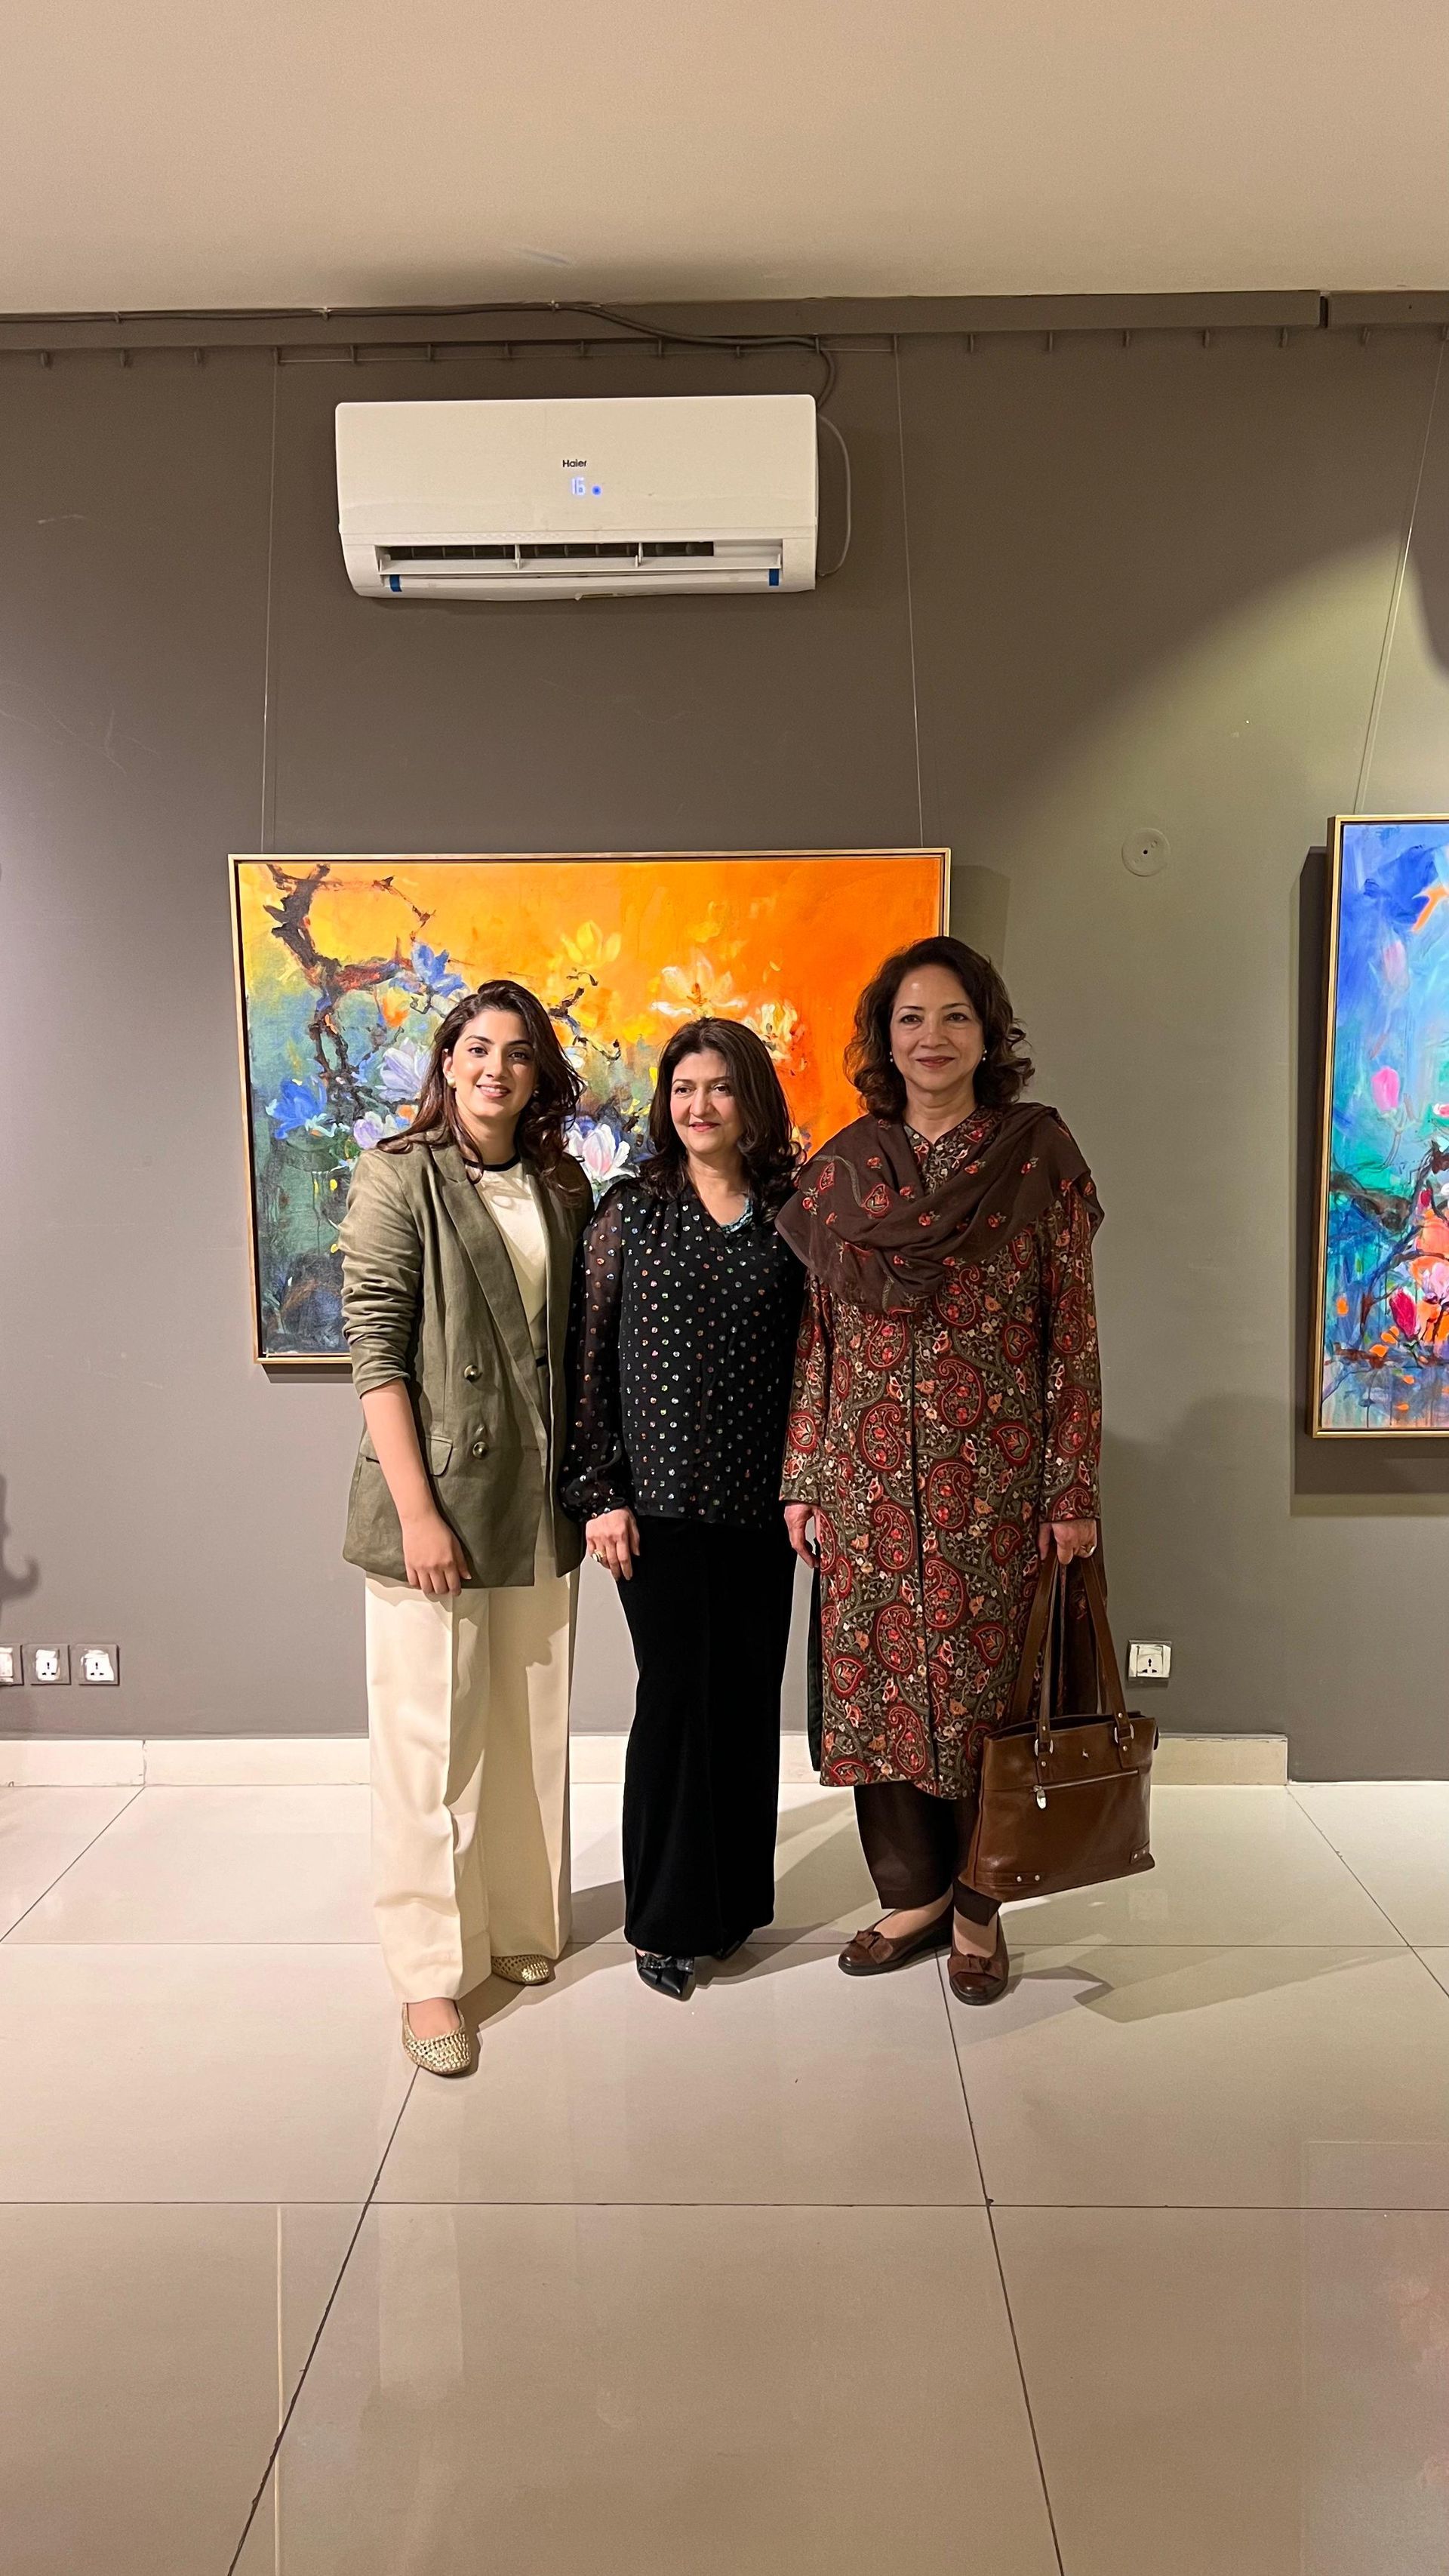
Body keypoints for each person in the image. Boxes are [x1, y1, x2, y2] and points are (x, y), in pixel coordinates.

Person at [777, 935, 1102, 2006]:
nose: (932, 1038)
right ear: (885, 1037)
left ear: (988, 1033)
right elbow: (819, 1339)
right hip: (866, 1480)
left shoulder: (1037, 1155)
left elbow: (1071, 1331)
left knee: (979, 1699)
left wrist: (1070, 1490)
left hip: (993, 1483)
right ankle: (912, 1895)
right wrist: (805, 1474)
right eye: (911, 1018)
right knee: (876, 1691)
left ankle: (977, 1905)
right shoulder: (842, 1172)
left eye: (955, 1016)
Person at [338, 979, 592, 2075]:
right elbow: (375, 1352)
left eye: (518, 1052)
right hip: (436, 1499)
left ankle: (522, 1924)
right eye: (478, 1047)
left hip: (537, 1499)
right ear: (447, 1062)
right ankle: (429, 1976)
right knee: (430, 1741)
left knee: (530, 1725)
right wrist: (417, 1513)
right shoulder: (398, 1174)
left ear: (538, 1076)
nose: (497, 1068)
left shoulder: (562, 1183)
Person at [562, 1017, 803, 2002]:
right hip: (655, 1511)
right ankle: (665, 1920)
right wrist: (601, 1493)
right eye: (684, 1088)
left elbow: (819, 1361)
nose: (700, 1105)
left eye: (720, 1087)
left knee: (745, 1700)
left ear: (752, 1099)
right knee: (674, 1700)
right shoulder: (631, 1211)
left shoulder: (792, 1214)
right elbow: (589, 1361)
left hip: (761, 1507)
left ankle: (733, 1903)